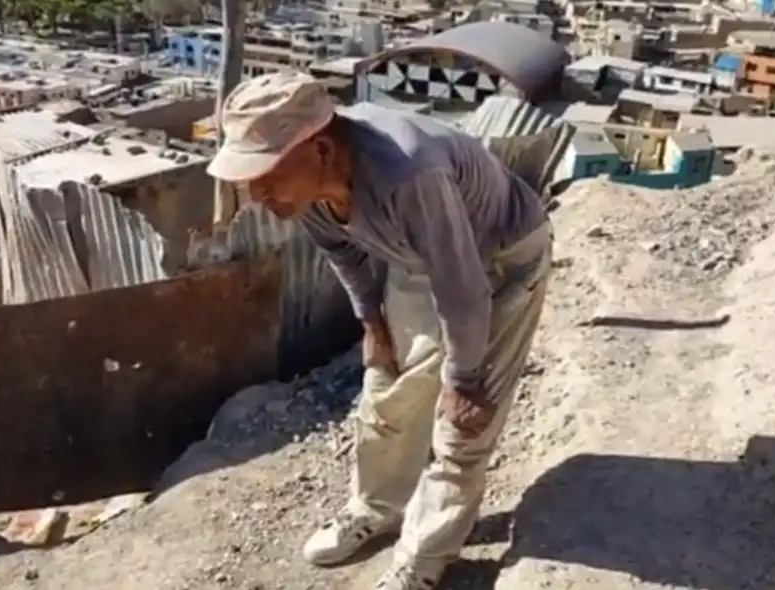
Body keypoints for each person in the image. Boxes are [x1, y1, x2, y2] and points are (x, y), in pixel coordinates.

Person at [206, 71, 553, 590]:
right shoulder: (305, 190)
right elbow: (342, 252)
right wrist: (373, 322)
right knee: (386, 387)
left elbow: (463, 288)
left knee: (462, 425)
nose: (255, 193)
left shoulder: (410, 174)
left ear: (319, 148)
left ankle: (422, 562)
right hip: (418, 260)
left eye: (265, 173)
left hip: (500, 262)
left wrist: (463, 378)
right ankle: (377, 508)